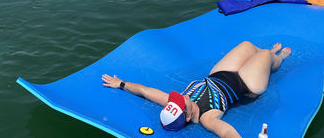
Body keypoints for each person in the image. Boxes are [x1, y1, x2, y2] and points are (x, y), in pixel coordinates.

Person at [102, 41, 291, 136]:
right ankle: (278, 58)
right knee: (265, 54)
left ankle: (265, 58)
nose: (177, 97)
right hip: (247, 84)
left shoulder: (174, 105)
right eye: (180, 101)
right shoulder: (207, 118)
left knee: (248, 45)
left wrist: (122, 84)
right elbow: (227, 133)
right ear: (186, 115)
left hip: (219, 73)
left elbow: (145, 91)